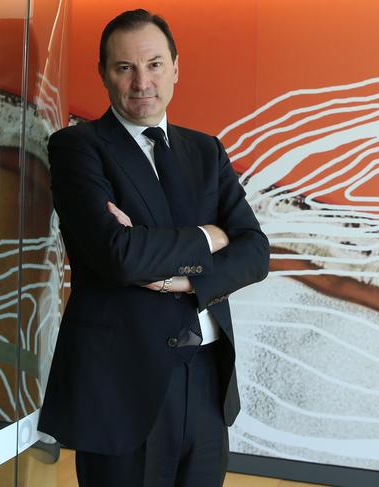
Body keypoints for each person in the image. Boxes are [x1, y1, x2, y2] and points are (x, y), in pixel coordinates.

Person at [38, 8, 269, 487]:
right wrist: (210, 236)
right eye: (125, 67)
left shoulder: (206, 151)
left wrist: (183, 278)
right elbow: (119, 255)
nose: (142, 81)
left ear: (176, 68)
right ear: (103, 74)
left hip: (207, 382)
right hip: (121, 388)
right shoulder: (77, 148)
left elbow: (255, 251)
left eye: (155, 64)